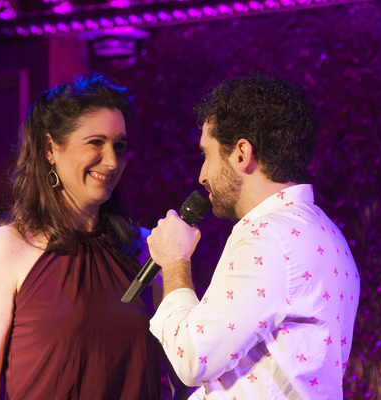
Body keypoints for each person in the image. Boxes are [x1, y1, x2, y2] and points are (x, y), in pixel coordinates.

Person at [147, 72, 360, 399]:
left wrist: (175, 261)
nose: (202, 175)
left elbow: (193, 358)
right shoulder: (325, 231)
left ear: (242, 153)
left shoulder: (268, 237)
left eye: (207, 154)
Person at [0, 73, 163, 399]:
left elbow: (185, 368)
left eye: (119, 146)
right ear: (51, 148)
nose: (112, 162)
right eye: (96, 142)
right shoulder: (4, 251)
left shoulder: (145, 249)